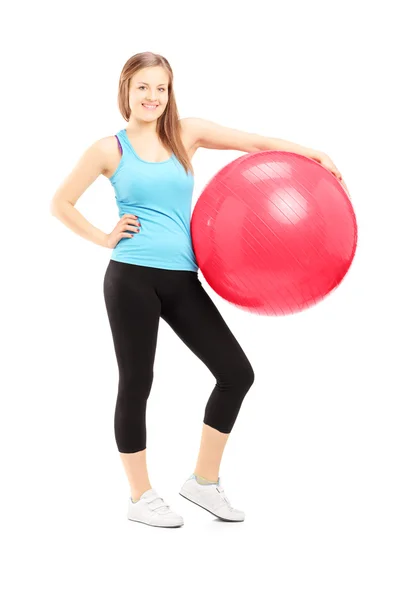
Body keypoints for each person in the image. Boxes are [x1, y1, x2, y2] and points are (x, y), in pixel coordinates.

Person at [50, 51, 345, 528]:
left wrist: (312, 154)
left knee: (236, 374)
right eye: (143, 87)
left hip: (183, 278)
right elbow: (60, 203)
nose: (152, 97)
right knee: (137, 384)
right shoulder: (110, 148)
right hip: (131, 277)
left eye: (161, 88)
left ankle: (203, 483)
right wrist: (104, 236)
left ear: (170, 92)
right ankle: (140, 496)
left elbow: (256, 142)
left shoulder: (186, 132)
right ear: (126, 88)